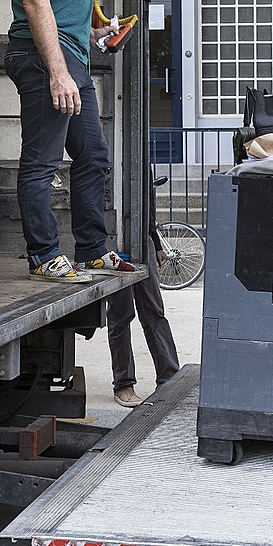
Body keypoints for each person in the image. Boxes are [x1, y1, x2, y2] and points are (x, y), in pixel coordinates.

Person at [6, 0, 136, 282]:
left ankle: (92, 250)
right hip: (46, 59)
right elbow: (36, 2)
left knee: (92, 155)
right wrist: (59, 72)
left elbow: (59, 4)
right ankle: (43, 255)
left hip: (69, 56)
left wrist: (97, 35)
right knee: (42, 161)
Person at [107, 172, 181, 406]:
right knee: (121, 313)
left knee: (153, 310)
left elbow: (148, 205)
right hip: (114, 240)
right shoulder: (106, 151)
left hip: (142, 238)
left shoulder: (140, 154)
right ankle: (124, 384)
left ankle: (169, 378)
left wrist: (156, 243)